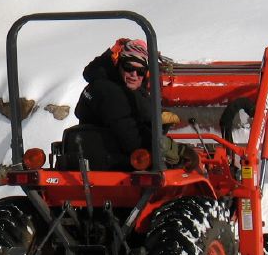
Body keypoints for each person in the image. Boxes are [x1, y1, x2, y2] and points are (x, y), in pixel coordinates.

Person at [72, 38, 197, 170]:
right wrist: (177, 150)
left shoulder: (109, 85)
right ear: (119, 64)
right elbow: (133, 139)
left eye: (140, 71)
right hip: (115, 166)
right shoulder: (111, 93)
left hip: (101, 158)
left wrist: (155, 116)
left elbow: (132, 109)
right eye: (129, 68)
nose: (134, 74)